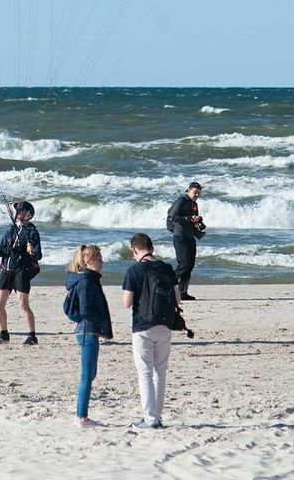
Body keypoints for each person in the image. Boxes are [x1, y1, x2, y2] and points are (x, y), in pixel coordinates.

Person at [122, 232, 180, 429]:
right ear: (152, 249)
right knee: (160, 372)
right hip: (165, 325)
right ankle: (157, 416)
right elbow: (178, 299)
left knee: (145, 373)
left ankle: (150, 418)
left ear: (136, 250)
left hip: (142, 326)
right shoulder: (167, 268)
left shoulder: (134, 271)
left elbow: (127, 303)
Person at [65, 245, 113, 428]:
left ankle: (81, 415)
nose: (102, 261)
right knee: (86, 375)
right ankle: (81, 416)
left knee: (91, 373)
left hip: (88, 330)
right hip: (87, 330)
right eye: (98, 258)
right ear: (87, 261)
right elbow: (85, 309)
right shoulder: (86, 281)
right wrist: (98, 321)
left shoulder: (89, 280)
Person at [0, 200, 42, 345]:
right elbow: (1, 251)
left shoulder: (32, 232)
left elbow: (38, 255)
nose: (18, 214)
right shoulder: (10, 231)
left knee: (23, 305)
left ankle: (32, 336)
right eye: (17, 211)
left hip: (21, 271)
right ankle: (4, 335)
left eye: (21, 211)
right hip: (7, 270)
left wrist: (31, 252)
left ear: (29, 214)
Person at [166, 182, 205, 300]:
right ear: (188, 190)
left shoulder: (194, 204)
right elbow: (174, 216)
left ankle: (183, 292)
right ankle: (166, 282)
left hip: (190, 236)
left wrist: (198, 222)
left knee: (190, 265)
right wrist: (189, 218)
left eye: (199, 193)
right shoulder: (181, 200)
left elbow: (192, 220)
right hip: (180, 236)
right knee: (183, 264)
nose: (197, 195)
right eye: (195, 192)